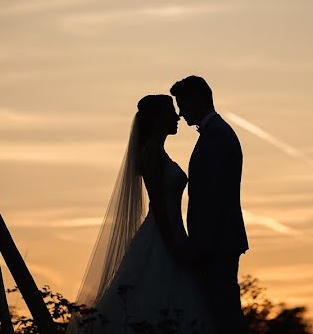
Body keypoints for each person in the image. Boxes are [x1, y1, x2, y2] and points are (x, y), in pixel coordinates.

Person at [69, 94, 216, 333]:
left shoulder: (157, 152)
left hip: (172, 230)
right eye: (171, 112)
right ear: (158, 119)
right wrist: (173, 244)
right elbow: (158, 205)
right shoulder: (151, 153)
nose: (177, 116)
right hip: (163, 233)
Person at [171, 76, 248, 334]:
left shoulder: (216, 136)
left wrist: (200, 245)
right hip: (216, 241)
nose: (180, 113)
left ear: (198, 99)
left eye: (183, 104)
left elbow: (213, 197)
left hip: (216, 243)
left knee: (224, 314)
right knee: (218, 313)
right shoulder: (216, 134)